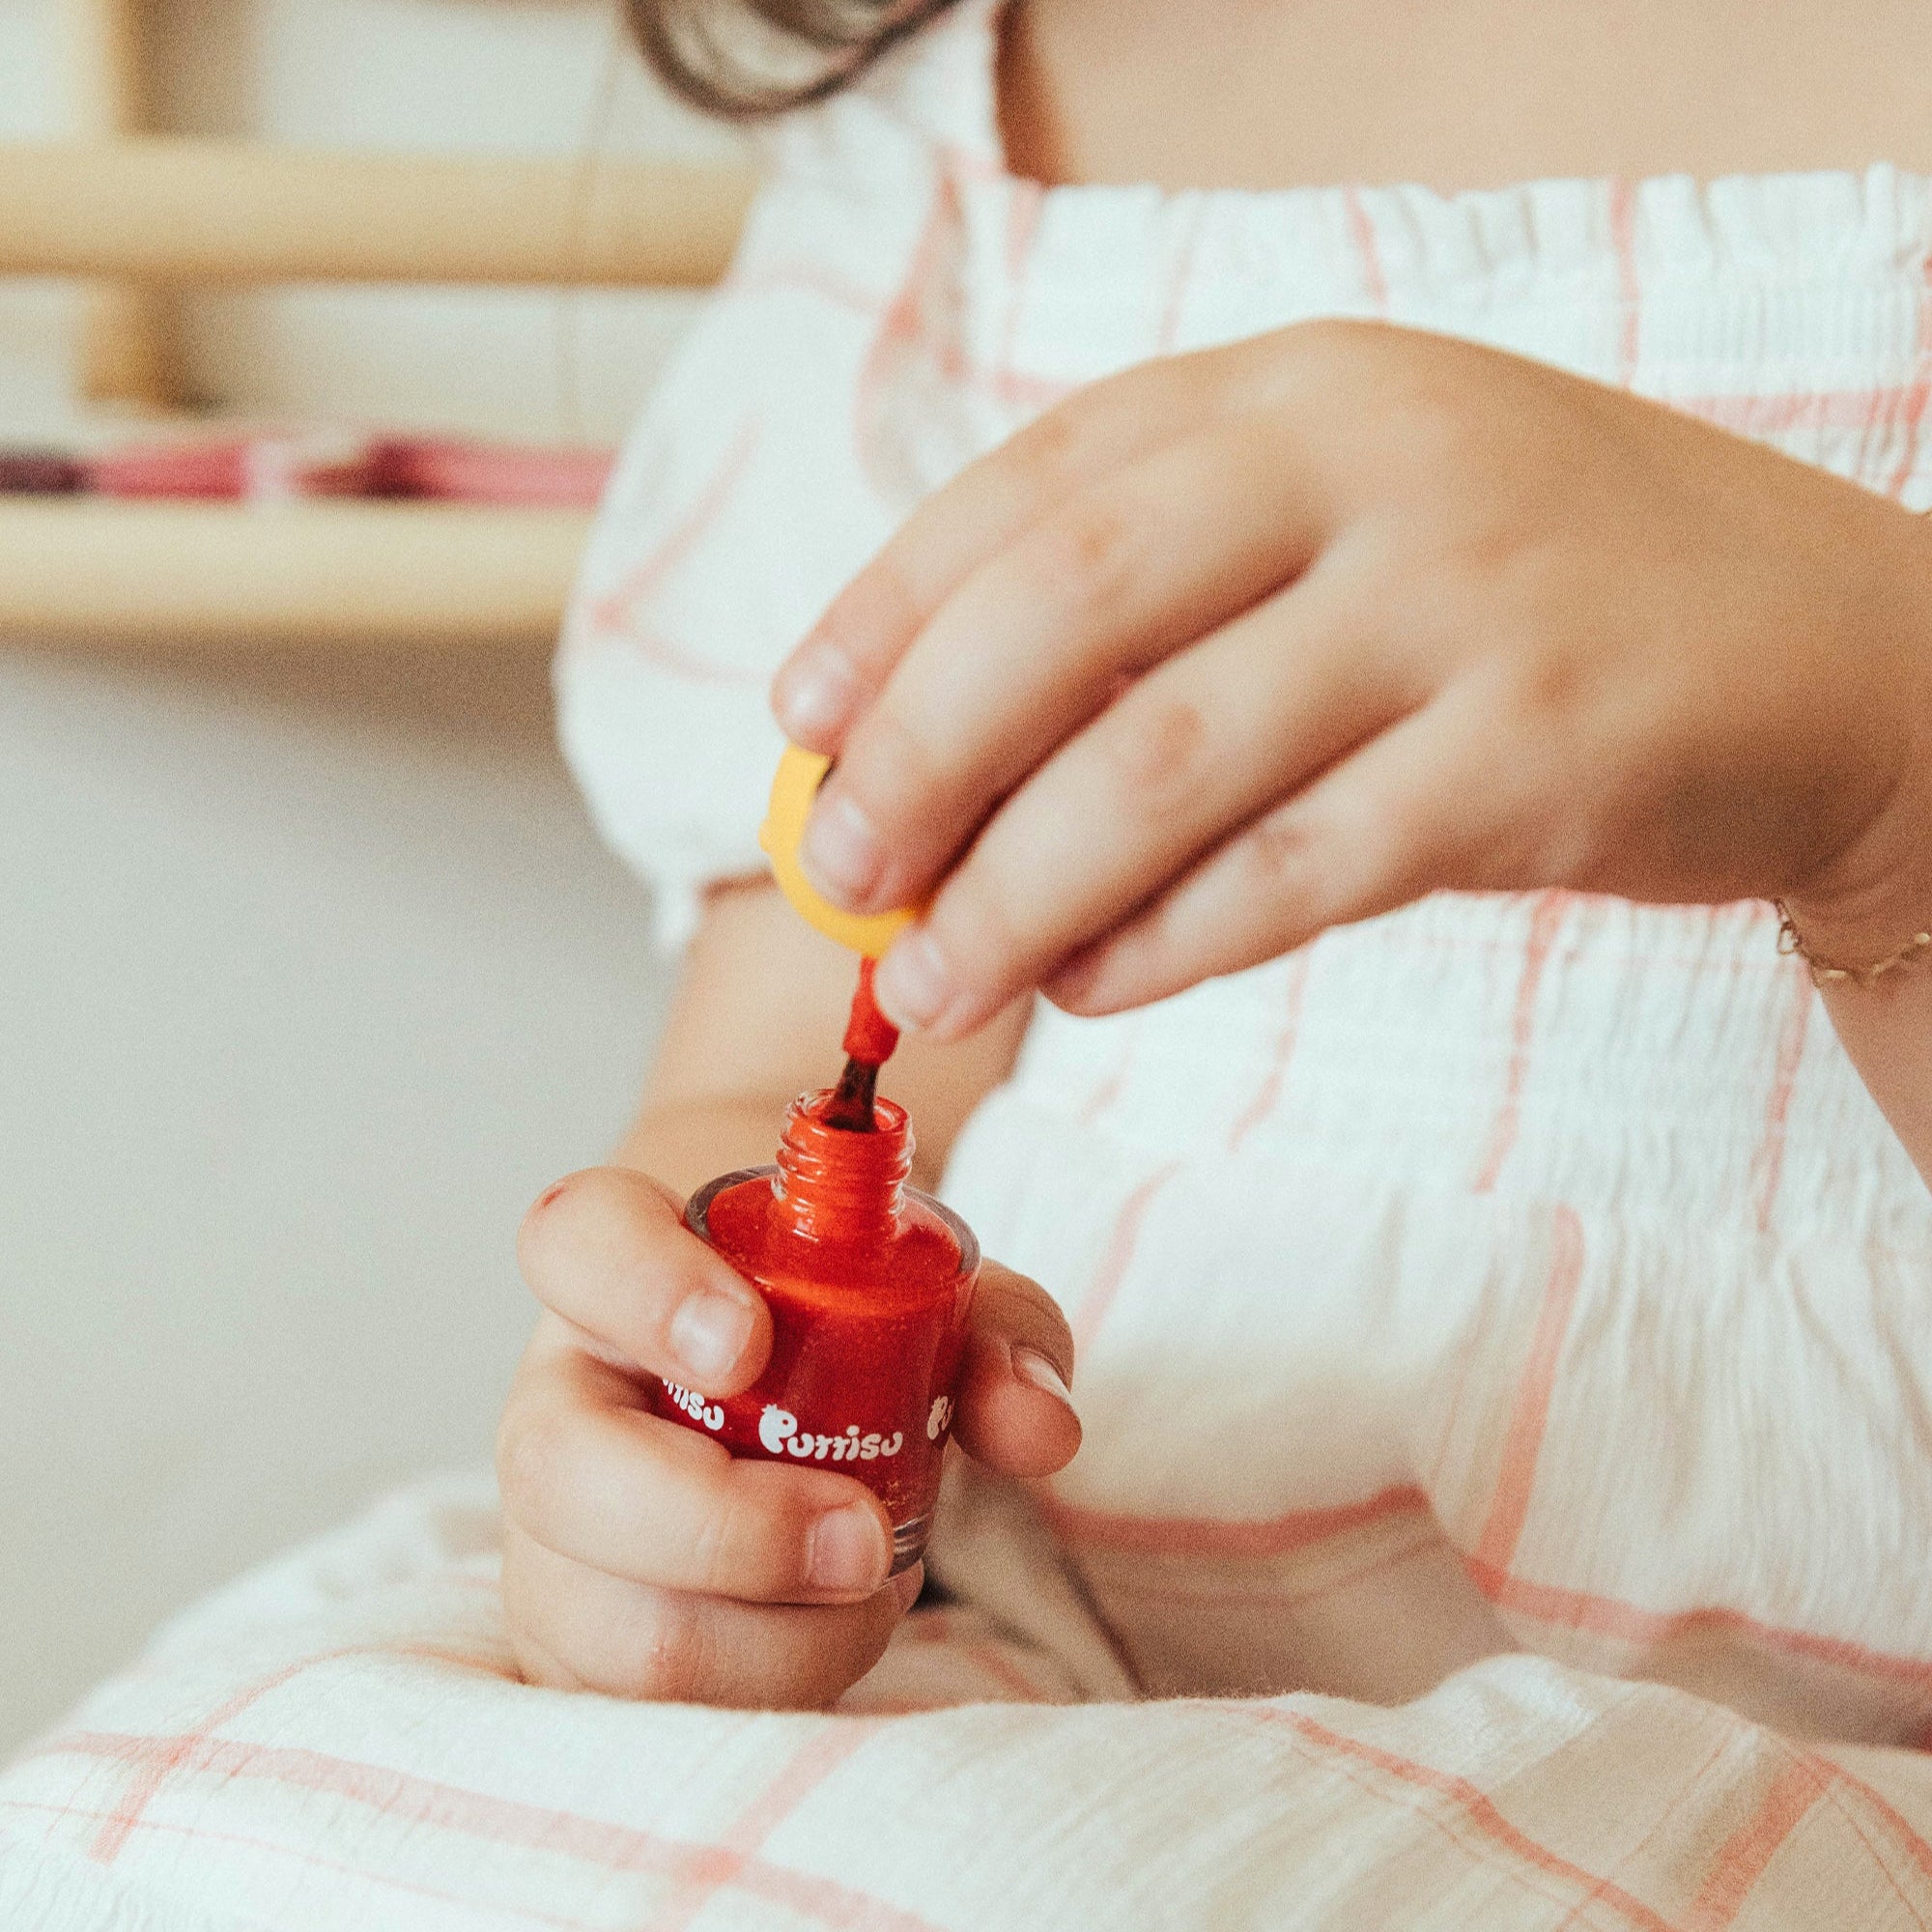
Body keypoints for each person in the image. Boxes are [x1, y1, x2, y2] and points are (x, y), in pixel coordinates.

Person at [500, 0, 1932, 1724]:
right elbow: (808, 1090)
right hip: (1041, 1670)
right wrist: (678, 1442)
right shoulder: (958, 140)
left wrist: (1884, 775)